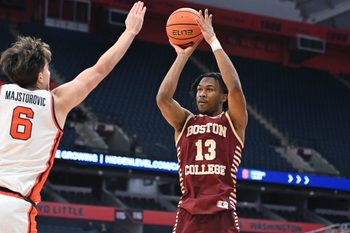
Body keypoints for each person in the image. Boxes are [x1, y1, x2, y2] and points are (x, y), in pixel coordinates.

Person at [0, 2, 146, 232]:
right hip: (15, 208)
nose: (49, 73)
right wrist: (130, 32)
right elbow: (100, 69)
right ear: (39, 76)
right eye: (48, 69)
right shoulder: (56, 102)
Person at [156, 9, 247, 233]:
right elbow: (163, 99)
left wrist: (213, 41)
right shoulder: (185, 122)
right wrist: (182, 56)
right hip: (188, 212)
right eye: (199, 90)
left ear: (223, 97)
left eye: (209, 89)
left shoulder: (233, 122)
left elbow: (235, 87)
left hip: (222, 212)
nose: (202, 94)